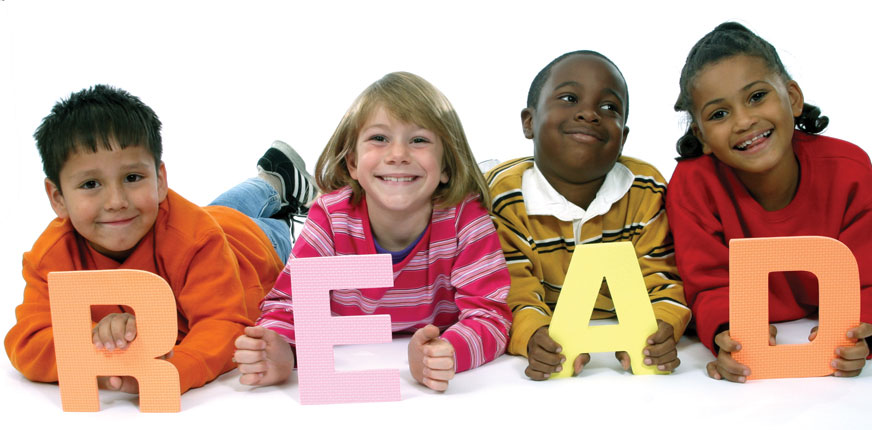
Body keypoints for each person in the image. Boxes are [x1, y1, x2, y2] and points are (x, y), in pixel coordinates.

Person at [4, 84, 317, 393]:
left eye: (132, 178)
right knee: (216, 211)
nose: (116, 201)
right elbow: (29, 340)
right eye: (90, 184)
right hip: (198, 220)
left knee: (261, 225)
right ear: (57, 198)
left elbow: (222, 327)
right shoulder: (51, 258)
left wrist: (164, 374)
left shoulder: (196, 238)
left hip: (249, 248)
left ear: (160, 179)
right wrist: (99, 345)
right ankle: (271, 180)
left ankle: (271, 184)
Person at [233, 72, 512, 392]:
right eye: (379, 138)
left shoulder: (465, 218)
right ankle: (275, 191)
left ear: (446, 167)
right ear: (352, 163)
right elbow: (287, 305)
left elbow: (491, 315)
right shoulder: (331, 216)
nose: (397, 154)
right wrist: (279, 349)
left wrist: (447, 352)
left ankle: (485, 168)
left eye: (419, 140)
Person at [667, 22, 872, 382]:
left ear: (792, 97)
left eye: (757, 96)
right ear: (702, 136)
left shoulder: (849, 171)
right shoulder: (693, 185)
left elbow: (870, 280)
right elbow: (706, 284)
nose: (744, 121)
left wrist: (860, 334)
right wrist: (728, 333)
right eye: (719, 114)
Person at [486, 50, 691, 381]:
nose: (589, 113)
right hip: (554, 348)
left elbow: (664, 277)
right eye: (569, 98)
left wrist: (660, 328)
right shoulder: (505, 194)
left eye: (609, 108)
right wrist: (535, 337)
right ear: (529, 122)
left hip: (621, 359)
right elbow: (510, 289)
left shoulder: (646, 189)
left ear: (623, 137)